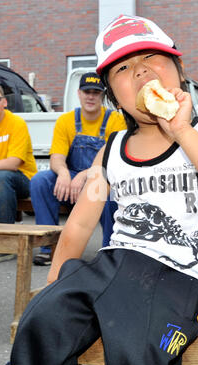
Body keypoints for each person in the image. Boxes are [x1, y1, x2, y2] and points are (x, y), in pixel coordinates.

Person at [4, 15, 198, 365]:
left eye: (151, 58)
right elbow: (81, 223)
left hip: (181, 274)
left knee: (140, 348)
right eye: (123, 67)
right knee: (40, 324)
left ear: (179, 71)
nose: (140, 71)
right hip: (113, 263)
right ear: (113, 96)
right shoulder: (113, 149)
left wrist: (180, 128)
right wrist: (56, 284)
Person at [30, 72, 126, 265]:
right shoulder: (66, 121)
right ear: (79, 93)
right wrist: (64, 173)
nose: (90, 96)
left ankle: (109, 252)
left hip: (101, 176)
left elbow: (113, 160)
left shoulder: (116, 120)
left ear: (103, 95)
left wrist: (85, 175)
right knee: (40, 181)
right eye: (86, 92)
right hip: (72, 175)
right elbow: (57, 157)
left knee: (109, 192)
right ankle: (49, 247)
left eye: (96, 92)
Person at [0, 82, 37, 264]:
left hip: (22, 180)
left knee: (2, 176)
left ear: (4, 102)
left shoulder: (16, 123)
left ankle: (5, 245)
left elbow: (13, 163)